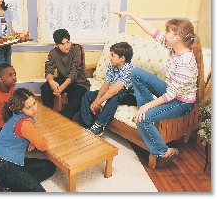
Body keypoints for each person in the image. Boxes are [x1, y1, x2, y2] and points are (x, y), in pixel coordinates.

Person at [114, 11, 204, 167]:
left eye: (168, 31)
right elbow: (151, 31)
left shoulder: (186, 62)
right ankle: (147, 112)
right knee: (136, 73)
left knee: (143, 119)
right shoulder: (174, 48)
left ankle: (164, 152)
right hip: (172, 93)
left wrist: (147, 107)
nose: (165, 34)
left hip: (181, 103)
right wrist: (130, 14)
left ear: (178, 37)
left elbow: (171, 95)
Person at [0, 88, 56, 192]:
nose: (34, 109)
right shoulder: (24, 124)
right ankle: (13, 187)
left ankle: (13, 188)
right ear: (20, 109)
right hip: (4, 169)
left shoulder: (17, 116)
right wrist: (35, 139)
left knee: (49, 167)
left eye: (34, 103)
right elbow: (43, 145)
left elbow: (31, 130)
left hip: (7, 163)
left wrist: (32, 139)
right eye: (29, 107)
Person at [80, 42, 137, 136]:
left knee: (117, 93)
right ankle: (88, 126)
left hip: (131, 95)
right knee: (88, 95)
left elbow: (115, 90)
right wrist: (97, 100)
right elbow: (106, 84)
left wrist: (98, 103)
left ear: (122, 58)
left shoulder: (129, 69)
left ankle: (99, 125)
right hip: (117, 91)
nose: (110, 58)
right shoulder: (112, 65)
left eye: (112, 55)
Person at [41, 29, 91, 120]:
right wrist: (51, 81)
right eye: (62, 44)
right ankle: (49, 115)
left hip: (79, 83)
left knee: (73, 106)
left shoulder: (77, 49)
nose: (66, 46)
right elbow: (49, 70)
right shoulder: (53, 53)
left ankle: (61, 120)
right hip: (63, 79)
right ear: (56, 45)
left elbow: (74, 72)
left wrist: (60, 89)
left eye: (67, 42)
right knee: (45, 89)